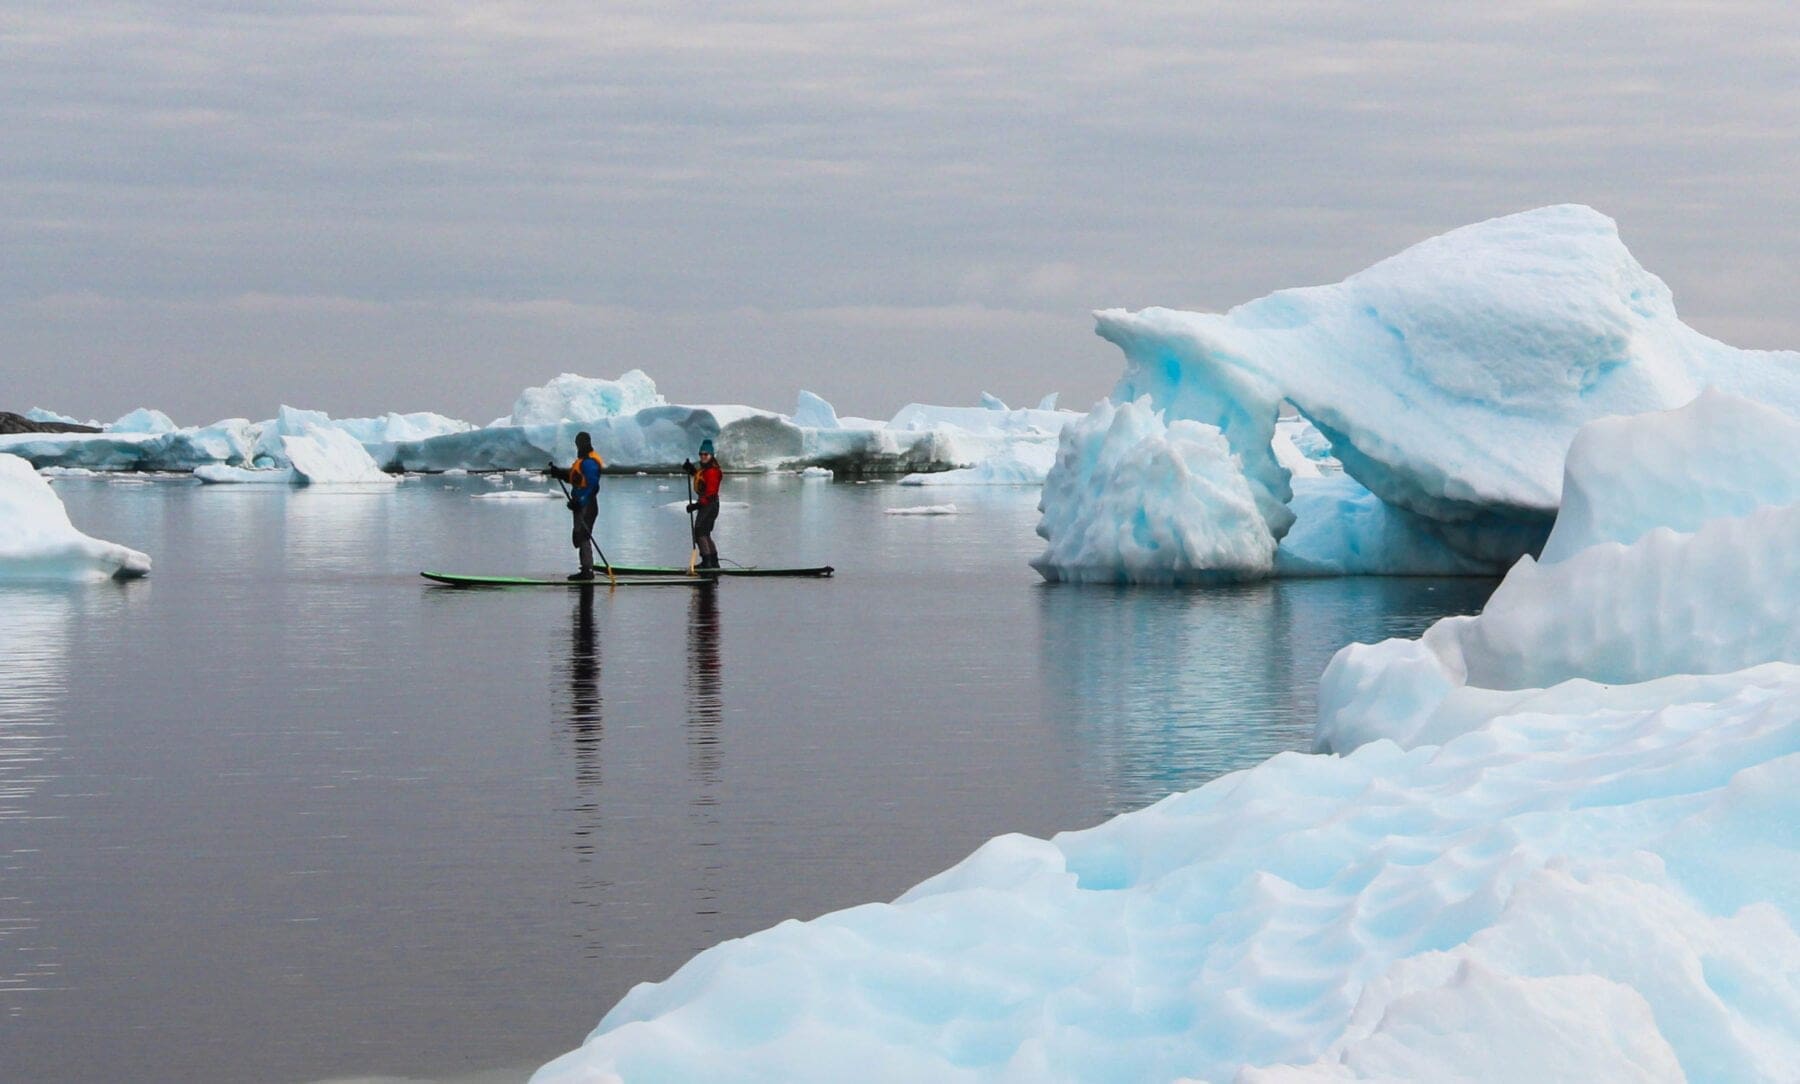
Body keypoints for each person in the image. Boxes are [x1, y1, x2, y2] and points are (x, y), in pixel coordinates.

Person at [552, 432, 605, 580]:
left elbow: (593, 486)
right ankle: (585, 568)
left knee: (583, 536)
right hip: (580, 505)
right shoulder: (582, 461)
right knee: (578, 536)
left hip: (587, 505)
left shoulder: (589, 463)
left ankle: (587, 571)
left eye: (579, 443)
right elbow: (574, 478)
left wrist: (580, 502)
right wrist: (559, 473)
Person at [684, 438, 723, 570]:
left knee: (700, 531)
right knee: (705, 532)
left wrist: (696, 505)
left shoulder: (713, 471)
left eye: (706, 454)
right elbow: (701, 477)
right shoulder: (706, 470)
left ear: (711, 455)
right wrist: (692, 470)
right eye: (701, 454)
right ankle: (713, 561)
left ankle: (707, 562)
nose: (703, 457)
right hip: (708, 505)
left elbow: (710, 492)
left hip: (709, 505)